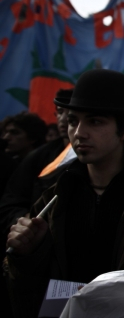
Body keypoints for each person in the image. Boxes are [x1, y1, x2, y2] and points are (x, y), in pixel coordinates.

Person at [5, 70, 124, 317]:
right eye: (74, 121)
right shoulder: (53, 198)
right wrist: (26, 254)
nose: (79, 133)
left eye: (95, 122)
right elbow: (28, 291)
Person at [0, 89, 73, 239]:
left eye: (72, 115)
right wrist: (24, 223)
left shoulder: (100, 158)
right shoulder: (38, 158)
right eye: (60, 112)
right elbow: (11, 201)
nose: (64, 119)